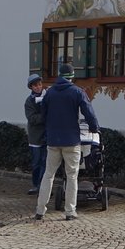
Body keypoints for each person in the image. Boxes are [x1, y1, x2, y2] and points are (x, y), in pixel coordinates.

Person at [34, 62, 99, 221]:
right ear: (72, 77)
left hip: (53, 141)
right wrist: (94, 127)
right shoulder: (77, 92)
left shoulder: (49, 93)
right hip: (71, 140)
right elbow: (88, 112)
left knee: (49, 174)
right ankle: (70, 211)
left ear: (59, 75)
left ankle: (40, 210)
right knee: (72, 176)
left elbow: (43, 115)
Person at [24, 73, 47, 194]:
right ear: (31, 87)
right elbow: (32, 118)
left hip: (48, 135)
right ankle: (36, 185)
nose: (38, 87)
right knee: (37, 163)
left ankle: (43, 186)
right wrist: (45, 116)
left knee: (46, 163)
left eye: (39, 85)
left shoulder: (48, 96)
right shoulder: (29, 101)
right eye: (35, 86)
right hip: (36, 137)